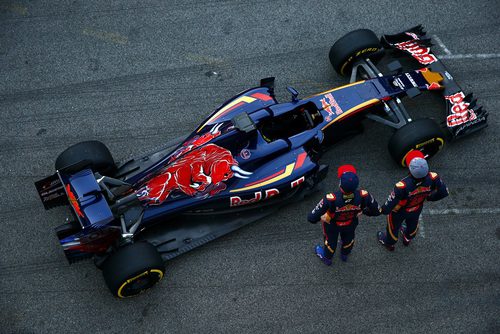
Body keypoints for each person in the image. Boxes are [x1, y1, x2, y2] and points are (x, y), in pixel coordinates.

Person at [307, 165, 380, 265]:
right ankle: (344, 254)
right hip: (351, 222)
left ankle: (327, 258)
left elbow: (311, 218)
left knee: (330, 242)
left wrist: (321, 218)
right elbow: (377, 211)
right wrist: (364, 212)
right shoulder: (364, 196)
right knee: (349, 238)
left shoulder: (330, 199)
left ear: (340, 184)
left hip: (332, 225)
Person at [377, 151, 449, 251]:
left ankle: (390, 243)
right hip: (417, 207)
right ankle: (407, 239)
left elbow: (388, 206)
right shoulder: (433, 178)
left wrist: (381, 210)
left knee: (393, 227)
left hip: (400, 211)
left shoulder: (402, 186)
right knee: (413, 224)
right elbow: (444, 192)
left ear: (410, 170)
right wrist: (429, 198)